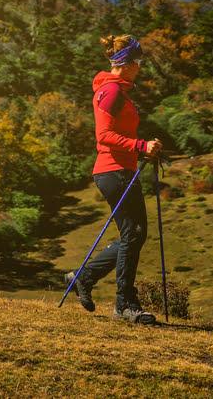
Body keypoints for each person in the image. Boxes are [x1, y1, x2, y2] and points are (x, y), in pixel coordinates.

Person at [64, 32, 162, 323]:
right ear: (128, 63)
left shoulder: (117, 89)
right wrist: (140, 146)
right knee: (134, 234)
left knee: (133, 234)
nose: (140, 67)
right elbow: (104, 135)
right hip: (113, 170)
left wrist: (141, 150)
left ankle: (83, 278)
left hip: (120, 169)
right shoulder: (112, 92)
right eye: (139, 61)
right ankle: (124, 305)